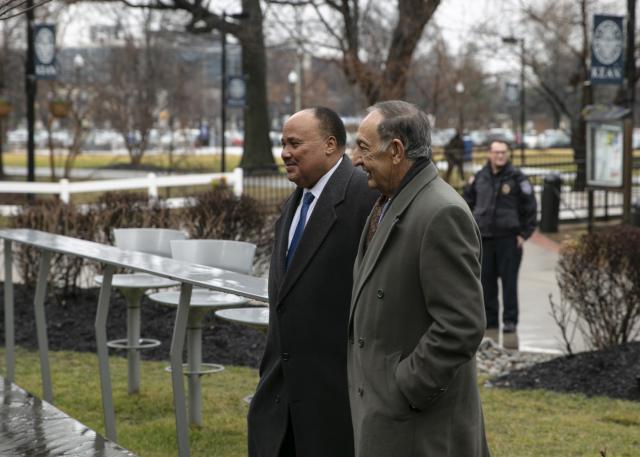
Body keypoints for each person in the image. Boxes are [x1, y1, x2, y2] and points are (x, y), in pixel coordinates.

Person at [349, 100, 490, 457]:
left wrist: (406, 386)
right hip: (388, 417)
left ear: (395, 151)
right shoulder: (388, 202)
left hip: (418, 429)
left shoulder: (441, 213)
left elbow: (461, 324)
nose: (354, 158)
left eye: (363, 148)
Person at [248, 107, 378, 457]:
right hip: (281, 402)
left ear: (330, 145)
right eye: (282, 143)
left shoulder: (366, 199)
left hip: (334, 407)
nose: (285, 152)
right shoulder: (296, 201)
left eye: (294, 143)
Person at [463, 139, 537, 348]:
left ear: (507, 154)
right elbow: (466, 203)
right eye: (496, 152)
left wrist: (524, 233)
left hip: (509, 239)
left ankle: (510, 321)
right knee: (486, 283)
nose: (500, 156)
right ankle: (491, 320)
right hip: (485, 238)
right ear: (489, 154)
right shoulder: (479, 177)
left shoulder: (517, 178)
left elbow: (530, 207)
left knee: (509, 283)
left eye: (503, 152)